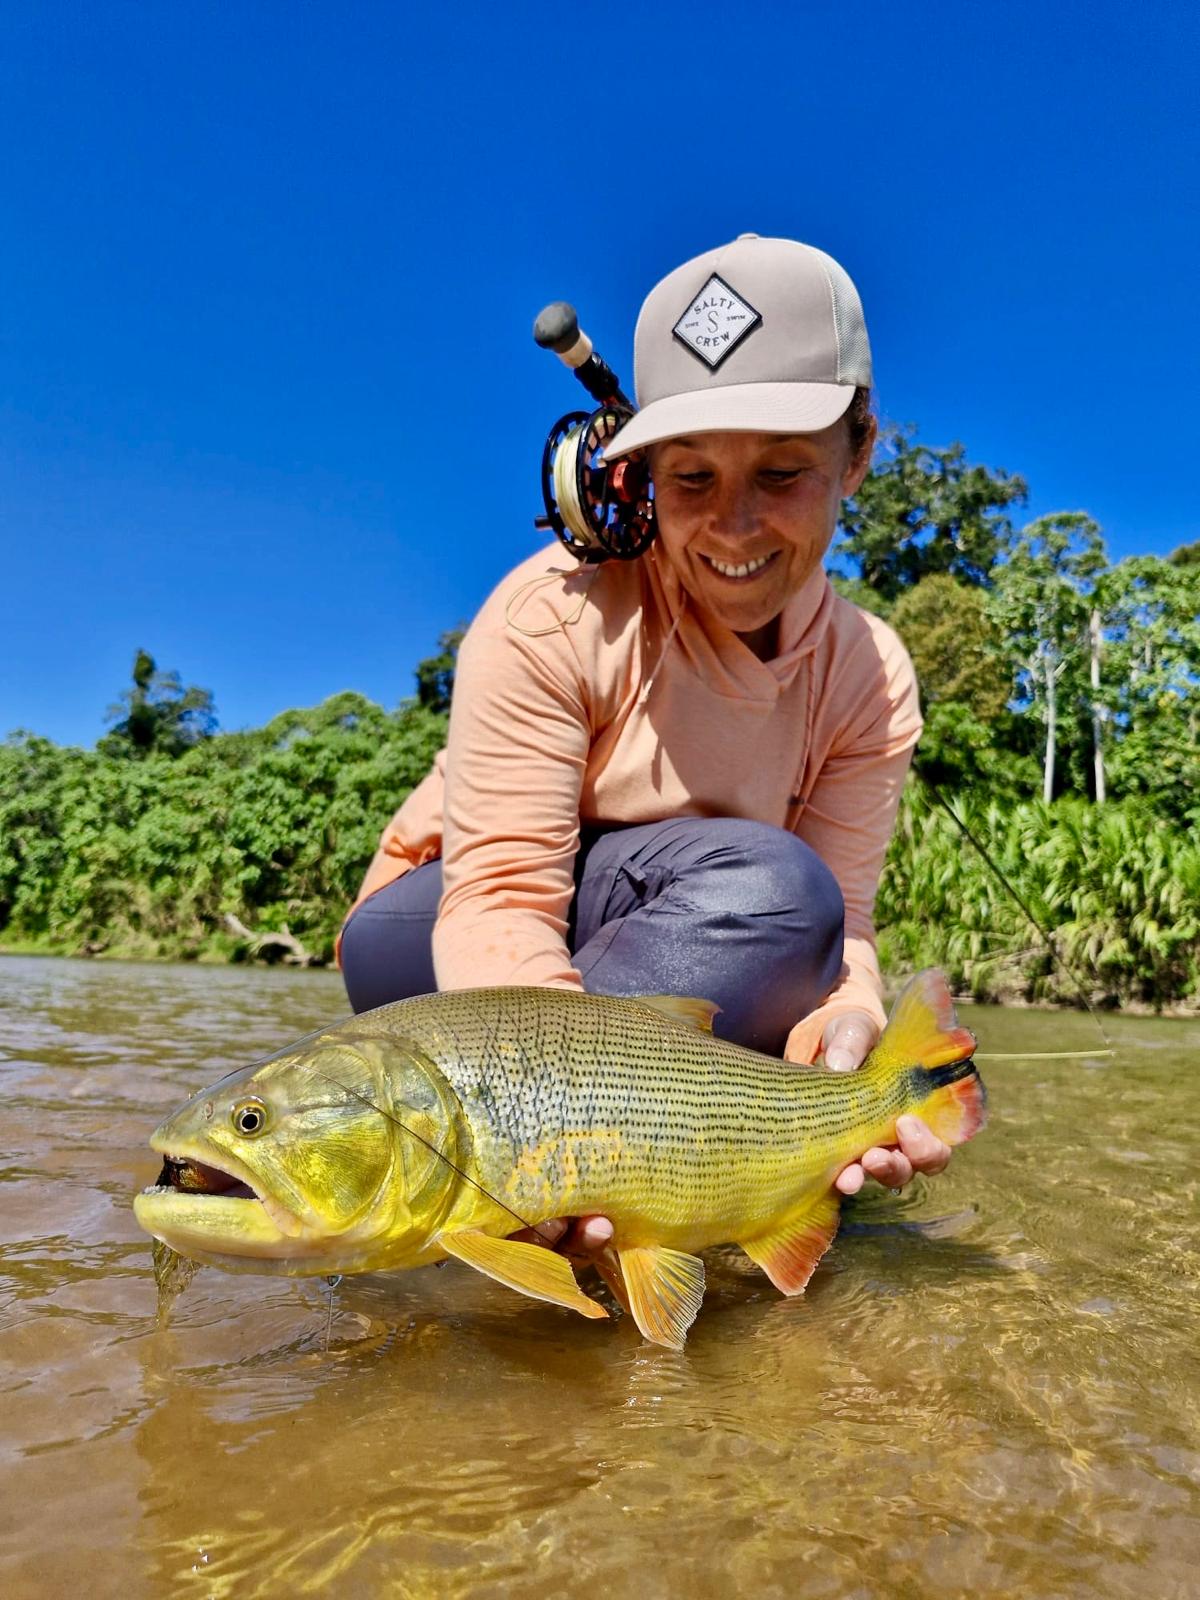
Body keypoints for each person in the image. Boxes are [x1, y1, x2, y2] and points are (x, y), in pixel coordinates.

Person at [339, 234, 952, 1257]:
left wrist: (841, 1035)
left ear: (859, 454)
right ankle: (520, 1155)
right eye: (693, 476)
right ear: (641, 474)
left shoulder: (871, 675)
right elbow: (500, 899)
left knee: (791, 911)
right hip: (438, 951)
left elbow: (839, 932)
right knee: (771, 889)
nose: (735, 527)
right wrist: (543, 1142)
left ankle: (664, 1170)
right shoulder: (550, 614)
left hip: (697, 949)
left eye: (783, 471)